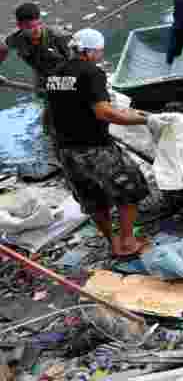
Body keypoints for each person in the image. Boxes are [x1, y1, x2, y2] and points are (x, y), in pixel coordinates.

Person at [45, 29, 152, 257]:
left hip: (66, 150)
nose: (101, 55)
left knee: (93, 198)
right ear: (90, 51)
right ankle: (128, 242)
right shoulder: (91, 72)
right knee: (131, 188)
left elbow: (57, 110)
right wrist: (146, 120)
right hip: (94, 147)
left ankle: (112, 242)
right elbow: (104, 112)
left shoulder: (55, 74)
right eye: (100, 51)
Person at [0, 3, 74, 165]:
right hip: (43, 77)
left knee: (65, 109)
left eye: (37, 25)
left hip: (68, 76)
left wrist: (64, 85)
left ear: (40, 21)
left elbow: (78, 66)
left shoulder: (59, 36)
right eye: (28, 27)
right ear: (20, 26)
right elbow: (2, 48)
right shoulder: (16, 39)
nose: (34, 30)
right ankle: (54, 144)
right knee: (51, 110)